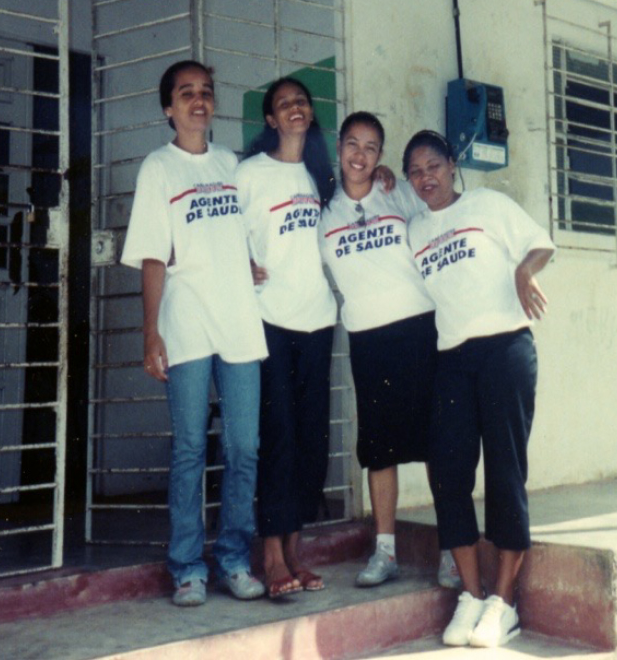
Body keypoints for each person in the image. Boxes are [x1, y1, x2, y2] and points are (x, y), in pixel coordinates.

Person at [120, 60, 267, 607]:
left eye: (206, 92)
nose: (198, 101)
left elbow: (256, 224)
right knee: (189, 448)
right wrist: (151, 333)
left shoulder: (234, 163)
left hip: (238, 321)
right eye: (186, 94)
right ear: (168, 107)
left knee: (244, 446)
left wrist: (248, 259)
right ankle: (187, 567)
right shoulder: (158, 168)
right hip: (184, 321)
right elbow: (154, 255)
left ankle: (233, 558)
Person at [403, 130, 555, 648]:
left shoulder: (489, 204)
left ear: (452, 165)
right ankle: (471, 595)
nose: (426, 178)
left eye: (433, 166)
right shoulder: (414, 232)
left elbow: (540, 245)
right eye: (415, 172)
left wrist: (523, 270)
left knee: (506, 472)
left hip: (505, 349)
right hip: (453, 359)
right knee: (448, 473)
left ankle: (504, 602)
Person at [318, 112, 461, 590]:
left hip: (420, 331)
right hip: (368, 339)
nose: (360, 156)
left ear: (381, 156)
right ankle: (385, 553)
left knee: (437, 446)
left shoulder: (398, 193)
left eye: (372, 147)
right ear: (339, 148)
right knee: (380, 451)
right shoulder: (324, 216)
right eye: (353, 145)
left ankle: (451, 551)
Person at [238, 77, 337, 599]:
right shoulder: (249, 174)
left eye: (301, 100)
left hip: (318, 320)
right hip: (270, 321)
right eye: (283, 104)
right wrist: (238, 263)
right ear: (271, 120)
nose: (295, 108)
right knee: (277, 436)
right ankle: (271, 555)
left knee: (312, 441)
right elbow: (223, 234)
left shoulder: (323, 175)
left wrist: (384, 174)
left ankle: (295, 549)